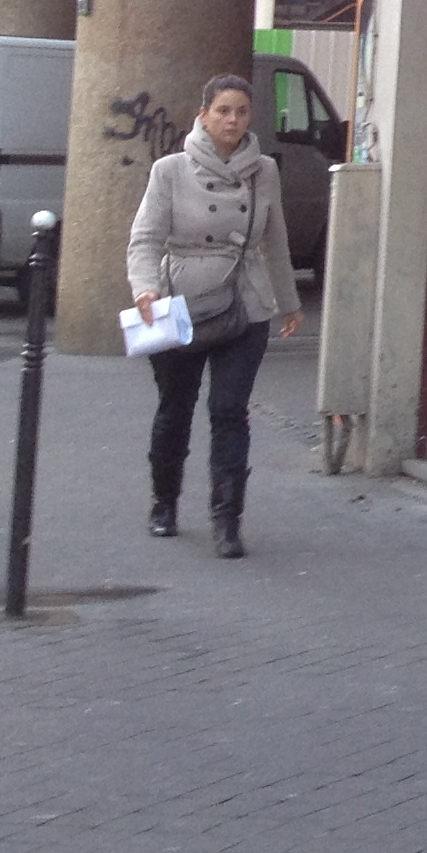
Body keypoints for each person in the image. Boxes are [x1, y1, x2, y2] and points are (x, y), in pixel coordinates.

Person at [127, 74, 303, 558]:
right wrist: (144, 287)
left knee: (229, 411)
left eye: (242, 111)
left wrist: (288, 303)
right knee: (175, 409)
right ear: (204, 115)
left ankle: (227, 519)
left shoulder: (263, 170)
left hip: (245, 303)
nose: (233, 120)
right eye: (223, 110)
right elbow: (144, 238)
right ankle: (164, 503)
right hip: (180, 303)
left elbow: (276, 240)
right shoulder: (170, 170)